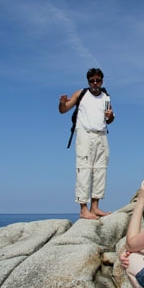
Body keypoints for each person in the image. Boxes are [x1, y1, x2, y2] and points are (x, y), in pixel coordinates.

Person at [59, 68, 115, 219]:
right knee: (84, 169)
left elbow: (110, 119)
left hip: (101, 135)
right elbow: (63, 110)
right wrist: (62, 103)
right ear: (88, 81)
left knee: (100, 170)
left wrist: (110, 116)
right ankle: (84, 209)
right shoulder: (81, 93)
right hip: (84, 134)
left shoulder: (106, 96)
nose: (95, 83)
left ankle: (95, 207)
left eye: (98, 80)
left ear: (102, 81)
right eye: (92, 81)